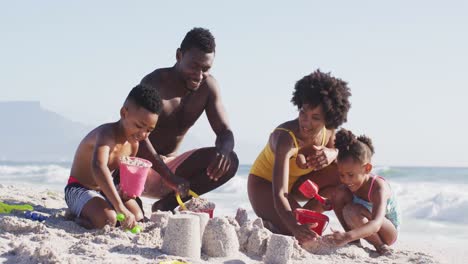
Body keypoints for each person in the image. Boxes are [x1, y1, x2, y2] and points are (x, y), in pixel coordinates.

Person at [136, 27, 239, 212]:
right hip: (137, 166)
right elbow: (136, 135)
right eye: (194, 66)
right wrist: (169, 177)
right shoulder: (155, 83)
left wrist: (224, 151)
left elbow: (225, 132)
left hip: (172, 170)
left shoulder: (208, 87)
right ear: (179, 55)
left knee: (230, 160)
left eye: (206, 69)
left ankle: (166, 205)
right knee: (123, 214)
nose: (199, 75)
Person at [248, 70, 352, 243]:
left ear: (329, 118)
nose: (306, 122)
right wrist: (295, 227)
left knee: (342, 174)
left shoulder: (329, 132)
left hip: (296, 186)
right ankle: (277, 224)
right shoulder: (285, 139)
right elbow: (280, 193)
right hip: (265, 185)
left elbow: (348, 162)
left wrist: (333, 153)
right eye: (303, 113)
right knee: (298, 234)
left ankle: (349, 234)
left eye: (315, 118)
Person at [65, 85, 162, 229]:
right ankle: (75, 216)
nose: (143, 134)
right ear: (124, 113)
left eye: (149, 130)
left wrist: (124, 193)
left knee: (137, 216)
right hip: (78, 188)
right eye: (139, 125)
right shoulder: (106, 134)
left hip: (103, 191)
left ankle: (96, 208)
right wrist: (119, 207)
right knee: (109, 220)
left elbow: (120, 178)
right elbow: (98, 166)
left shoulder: (133, 145)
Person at [326, 128, 401, 255]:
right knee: (337, 194)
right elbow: (340, 198)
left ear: (367, 168)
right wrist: (330, 202)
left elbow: (377, 224)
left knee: (351, 210)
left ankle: (380, 246)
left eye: (350, 174)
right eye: (341, 175)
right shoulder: (349, 185)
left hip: (387, 231)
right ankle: (355, 242)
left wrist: (347, 236)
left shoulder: (378, 187)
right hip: (362, 226)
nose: (345, 180)